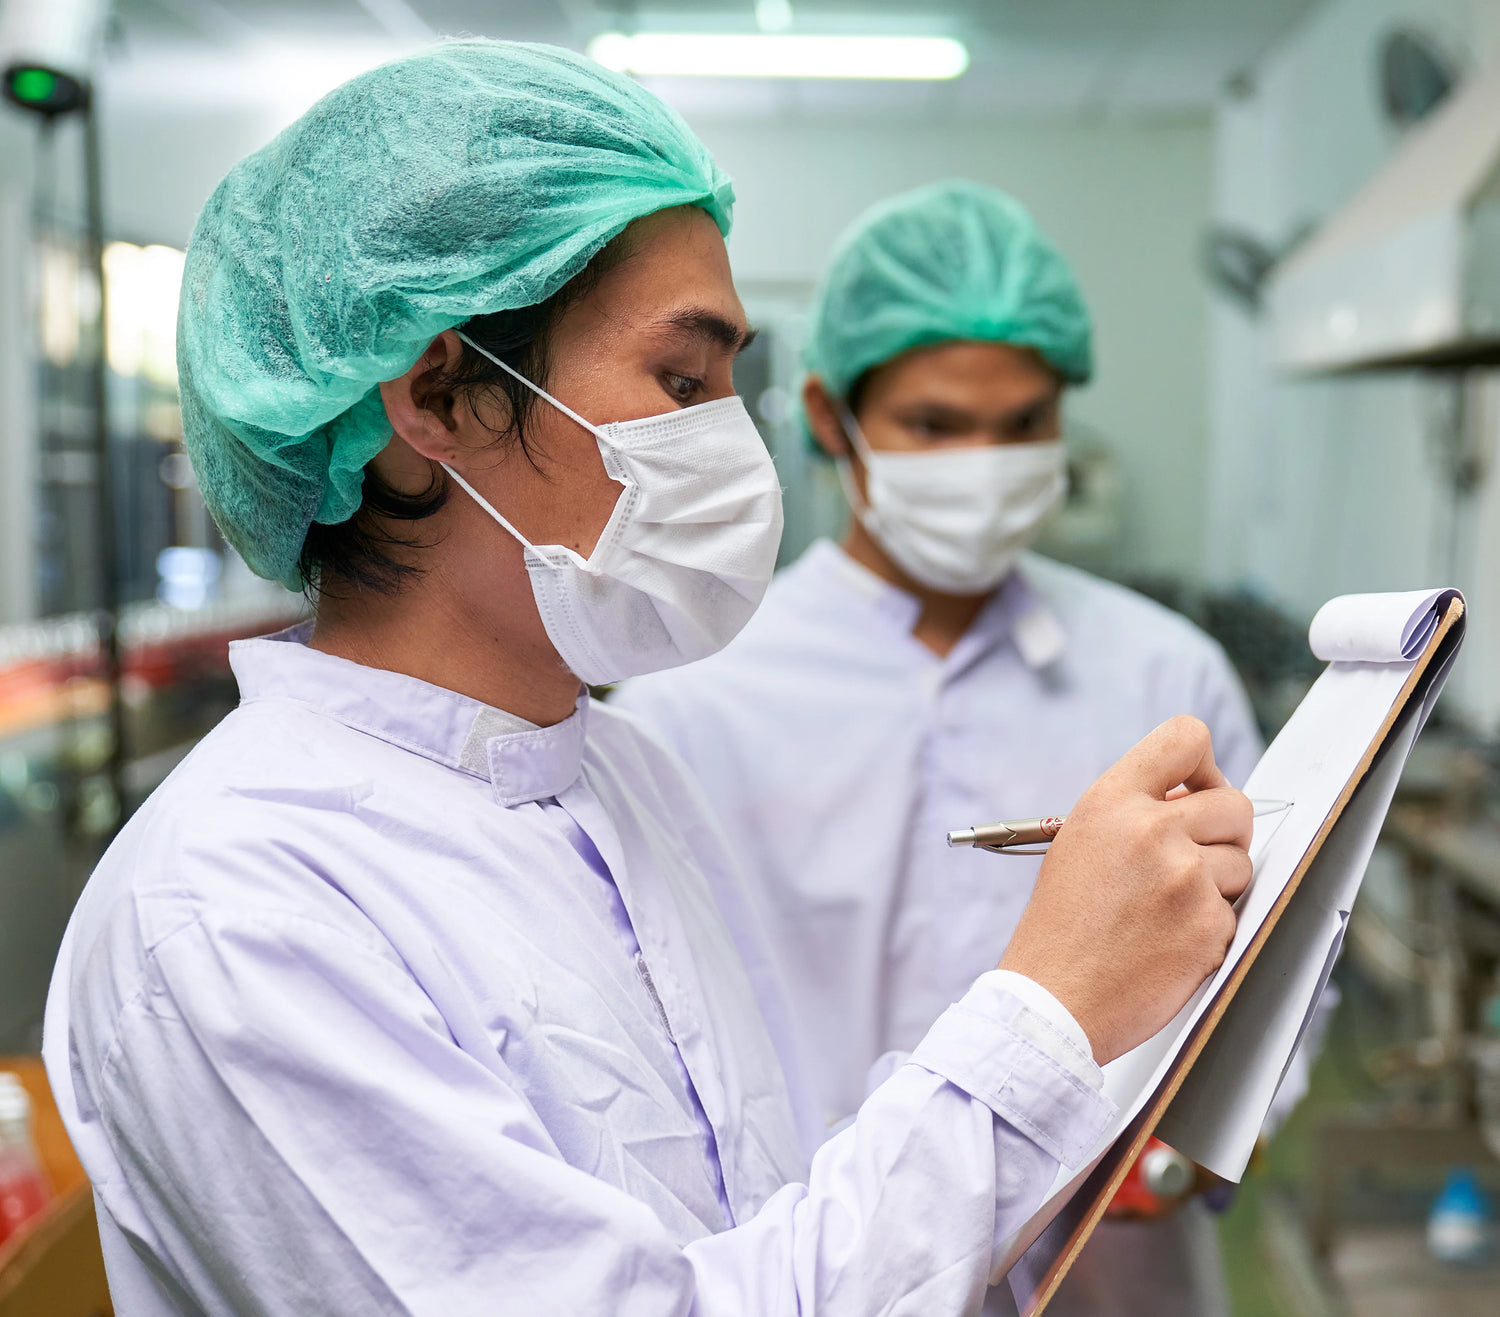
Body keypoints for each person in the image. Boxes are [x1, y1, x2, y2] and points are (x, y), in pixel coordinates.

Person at [43, 48, 1254, 1316]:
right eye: (680, 382)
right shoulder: (241, 916)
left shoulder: (615, 778)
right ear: (436, 396)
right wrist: (1052, 1013)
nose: (733, 448)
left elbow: (765, 1234)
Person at [614, 181, 1267, 1316]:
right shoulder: (693, 696)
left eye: (1021, 427)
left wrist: (1188, 1146)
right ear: (830, 420)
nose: (982, 460)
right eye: (934, 426)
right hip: (823, 1268)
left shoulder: (1166, 679)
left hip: (1116, 1271)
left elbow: (1277, 974)